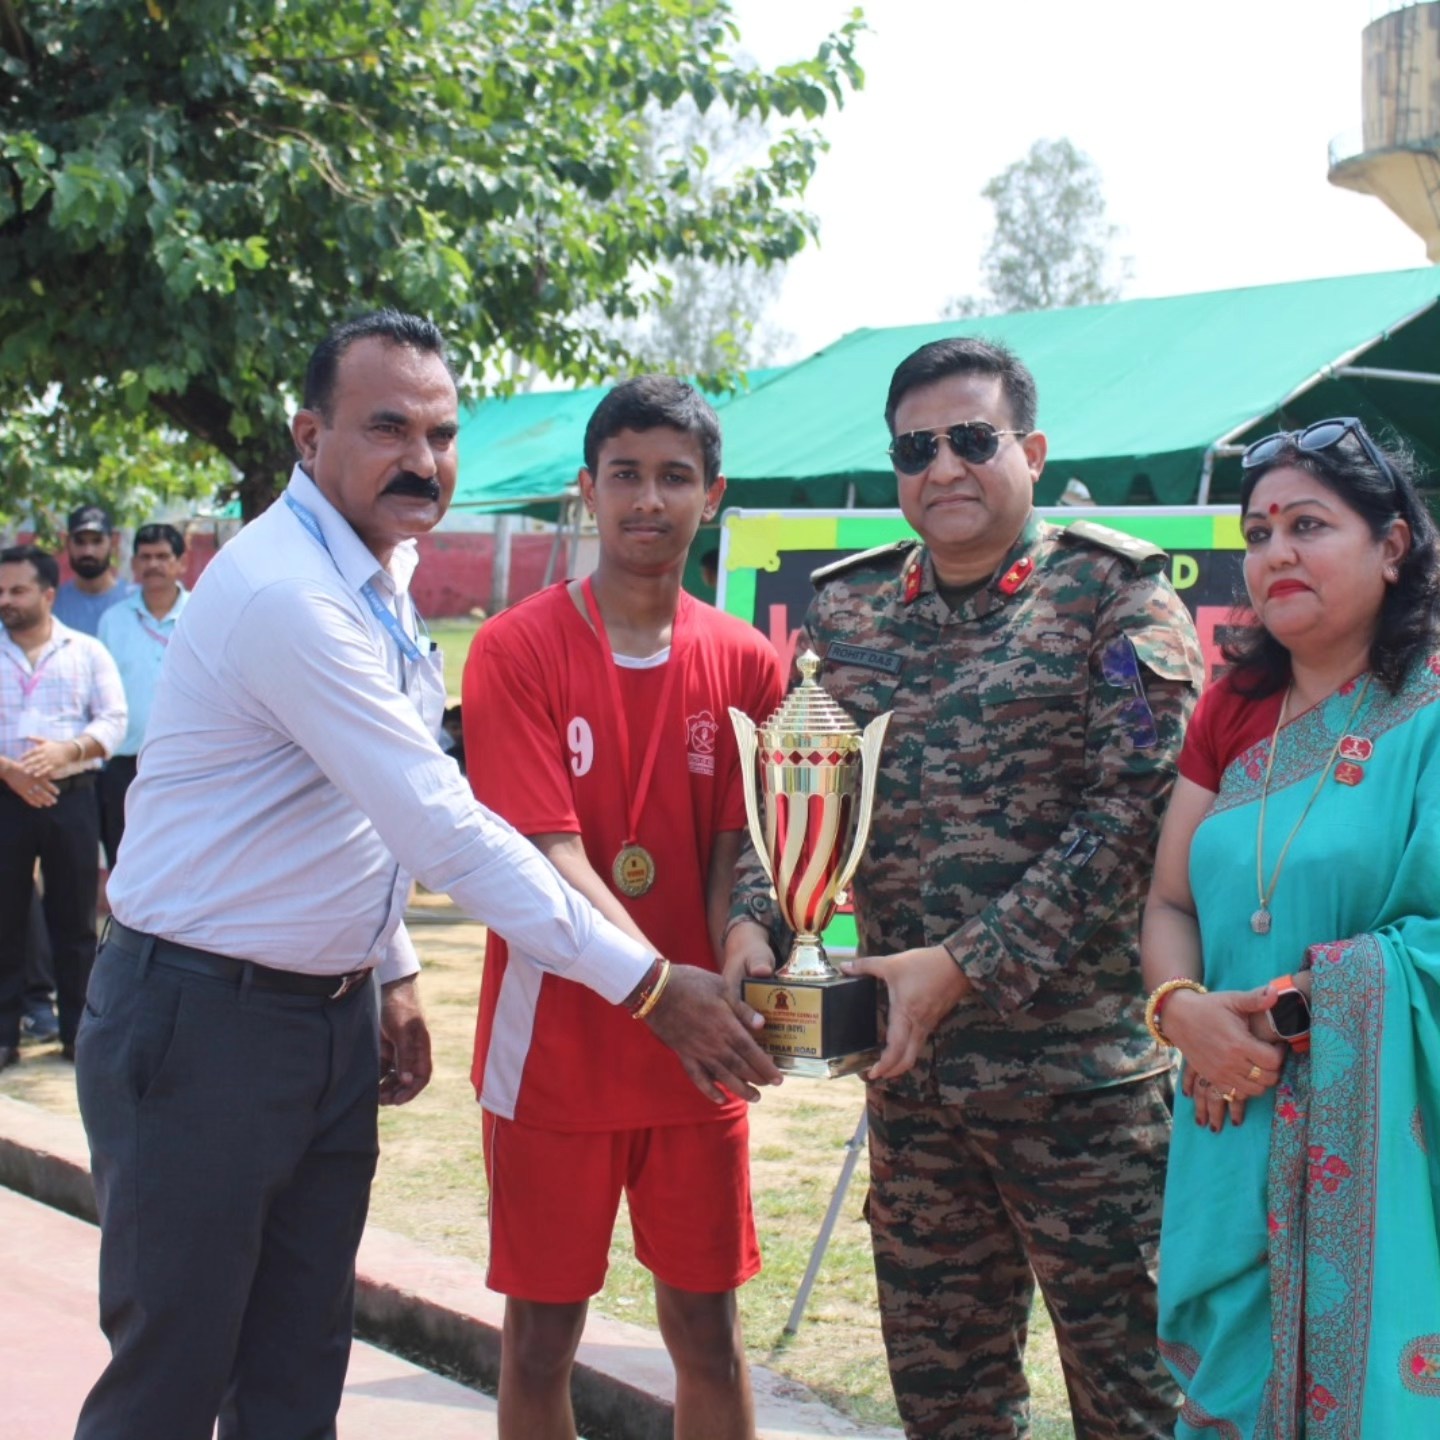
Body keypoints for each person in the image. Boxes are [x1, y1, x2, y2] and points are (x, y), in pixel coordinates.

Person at [73, 310, 780, 1440]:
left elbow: (349, 809)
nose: (423, 459)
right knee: (173, 1379)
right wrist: (653, 987)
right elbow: (441, 824)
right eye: (387, 428)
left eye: (441, 434)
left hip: (322, 1019)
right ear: (310, 436)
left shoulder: (379, 572)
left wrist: (392, 967)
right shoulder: (292, 594)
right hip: (201, 1021)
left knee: (296, 1371)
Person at [724, 337, 1203, 1439]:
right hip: (916, 1091)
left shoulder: (1117, 597)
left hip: (1081, 1094)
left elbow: (1132, 817)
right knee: (947, 1408)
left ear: (1031, 451)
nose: (942, 467)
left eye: (973, 440)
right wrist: (758, 917)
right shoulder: (849, 612)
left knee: (1135, 1405)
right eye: (915, 449)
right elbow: (801, 786)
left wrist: (961, 966)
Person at [463, 376, 785, 1440]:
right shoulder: (515, 647)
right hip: (556, 1048)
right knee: (540, 1341)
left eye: (675, 477)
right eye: (627, 475)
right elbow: (544, 851)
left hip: (698, 1051)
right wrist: (663, 991)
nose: (650, 500)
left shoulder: (748, 662)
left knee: (708, 1334)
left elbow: (742, 851)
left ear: (713, 495)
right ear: (587, 490)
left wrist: (742, 947)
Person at [1140, 418, 1440, 1438]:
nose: (1275, 553)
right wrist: (1181, 1010)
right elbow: (1170, 901)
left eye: (1308, 525)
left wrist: (1291, 1012)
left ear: (1391, 546)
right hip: (1228, 1124)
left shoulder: (1430, 708)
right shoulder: (1234, 706)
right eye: (1258, 533)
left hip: (1389, 1147)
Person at [0, 545, 126, 1069]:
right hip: (4, 799)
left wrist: (66, 752)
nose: (6, 600)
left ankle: (78, 1034)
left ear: (49, 594)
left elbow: (114, 720)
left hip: (70, 797)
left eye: (18, 590)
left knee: (75, 920)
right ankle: (5, 1035)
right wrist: (10, 771)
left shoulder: (86, 651)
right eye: (0, 591)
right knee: (3, 918)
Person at [95, 522, 189, 865]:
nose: (153, 565)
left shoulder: (203, 613)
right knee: (126, 861)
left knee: (185, 860)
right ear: (134, 563)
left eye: (163, 556)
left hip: (189, 762)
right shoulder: (113, 620)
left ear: (181, 562)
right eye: (145, 557)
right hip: (123, 765)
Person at [52, 505, 129, 635]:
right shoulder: (51, 604)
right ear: (67, 542)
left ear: (113, 542)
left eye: (97, 542)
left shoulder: (135, 601)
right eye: (80, 542)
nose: (88, 551)